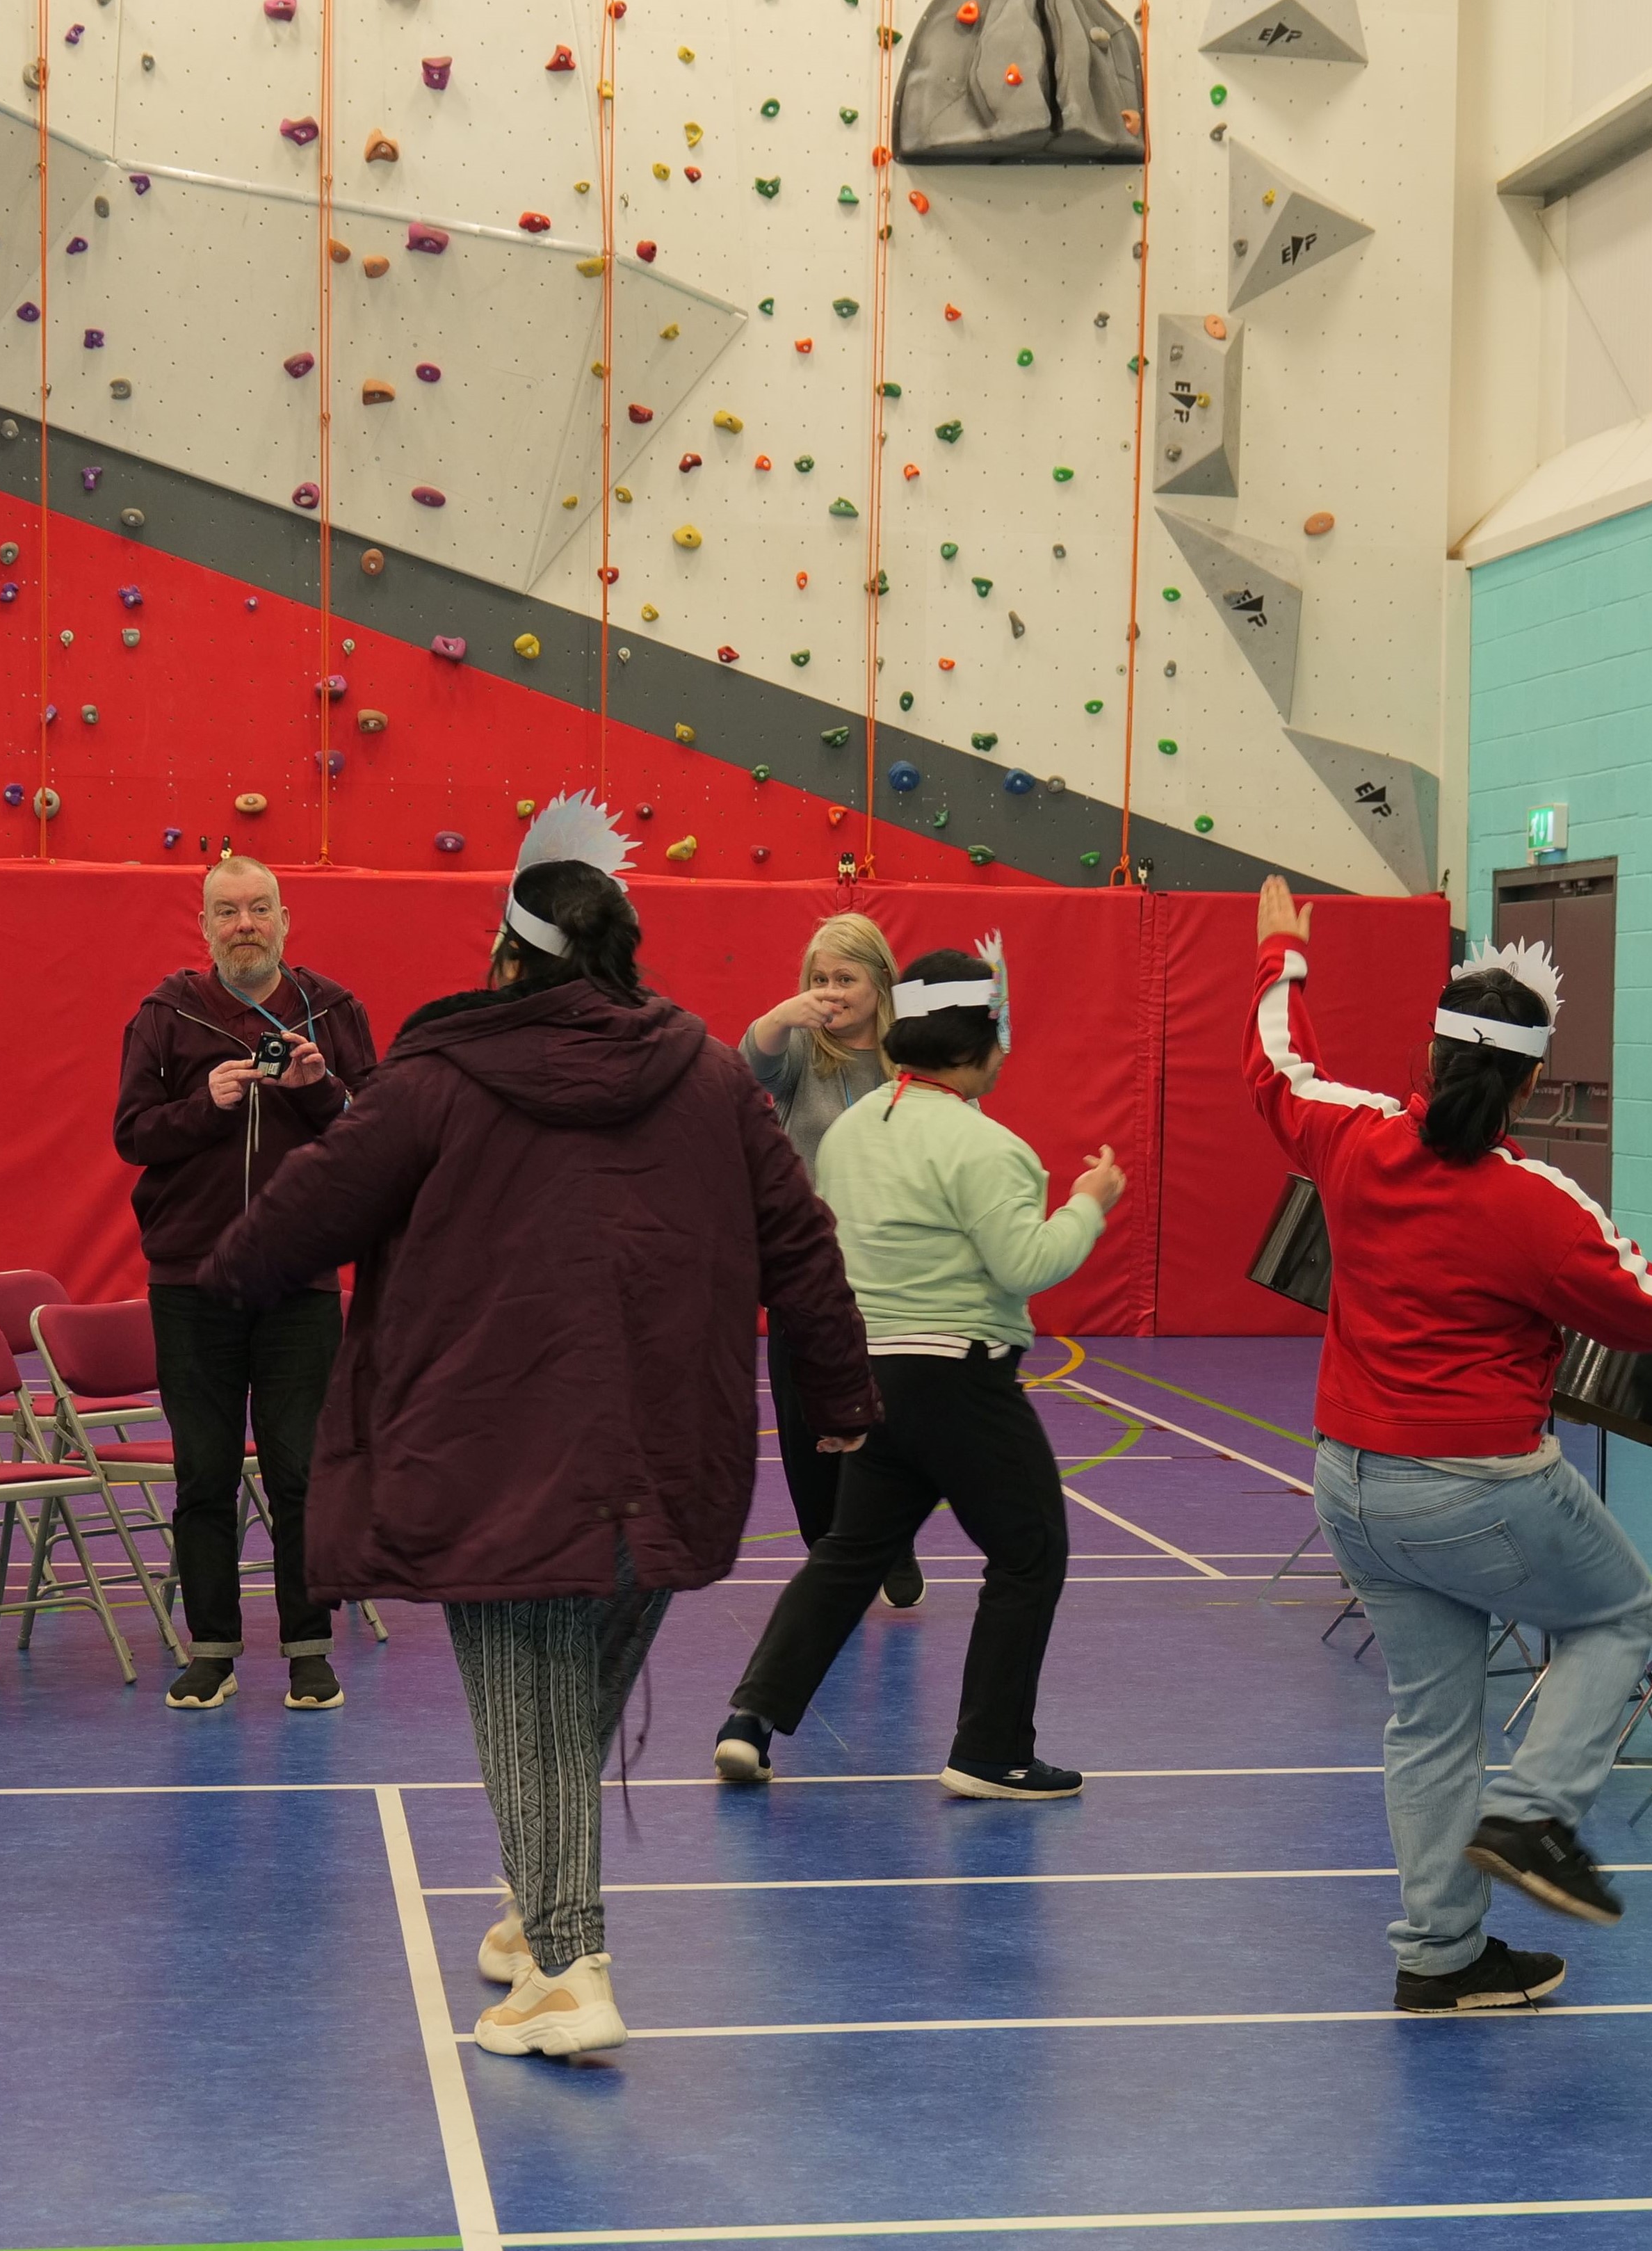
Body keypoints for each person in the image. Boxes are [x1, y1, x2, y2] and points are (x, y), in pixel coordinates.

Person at [202, 797, 879, 2058]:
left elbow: (310, 1206)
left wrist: (230, 1276)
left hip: (485, 1449)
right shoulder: (710, 1074)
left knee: (529, 1710)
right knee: (564, 1710)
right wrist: (839, 1398)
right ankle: (532, 1912)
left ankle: (570, 1968)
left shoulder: (437, 1077)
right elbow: (802, 1239)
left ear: (508, 956)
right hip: (668, 1450)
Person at [1247, 878, 1652, 2011]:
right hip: (1476, 1484)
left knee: (1430, 1711)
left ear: (1430, 1056)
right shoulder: (1535, 1201)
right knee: (1617, 1615)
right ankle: (1537, 1808)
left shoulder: (1355, 1140)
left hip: (1348, 1484)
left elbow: (1276, 1066)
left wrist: (1282, 948)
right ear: (1528, 1082)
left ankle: (1441, 1953)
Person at [716, 938, 1121, 1800]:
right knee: (1029, 1553)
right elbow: (1025, 1264)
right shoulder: (990, 1147)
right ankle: (990, 1749)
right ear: (976, 1045)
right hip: (960, 1380)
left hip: (870, 1379)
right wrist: (1089, 1205)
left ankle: (750, 1718)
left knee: (847, 1554)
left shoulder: (857, 1129)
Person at [113, 853, 378, 1711]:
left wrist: (316, 1090)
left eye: (258, 908)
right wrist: (207, 1104)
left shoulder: (333, 1011)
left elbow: (374, 1137)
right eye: (226, 912)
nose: (244, 925)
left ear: (285, 918)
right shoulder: (166, 1015)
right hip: (192, 1281)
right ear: (204, 927)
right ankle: (213, 1649)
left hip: (298, 1282)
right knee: (204, 1474)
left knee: (303, 1470)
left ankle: (308, 1649)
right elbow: (132, 1136)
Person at [740, 912, 920, 1607]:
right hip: (805, 1274)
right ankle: (828, 1556)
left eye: (846, 978)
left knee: (886, 1417)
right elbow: (746, 1062)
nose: (832, 991)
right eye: (820, 978)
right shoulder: (799, 1056)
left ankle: (890, 1539)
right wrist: (785, 1014)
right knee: (804, 1419)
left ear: (880, 983)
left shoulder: (908, 1057)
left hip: (890, 1273)